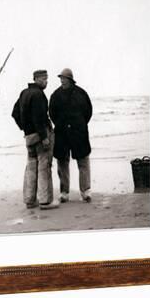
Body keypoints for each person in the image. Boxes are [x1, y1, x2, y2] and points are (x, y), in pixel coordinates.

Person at [12, 70, 58, 210]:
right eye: (44, 79)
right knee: (44, 167)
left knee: (31, 167)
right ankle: (45, 201)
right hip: (40, 135)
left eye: (46, 79)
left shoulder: (24, 93)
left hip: (29, 136)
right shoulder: (38, 94)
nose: (46, 82)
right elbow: (39, 117)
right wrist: (44, 137)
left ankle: (30, 200)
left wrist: (25, 128)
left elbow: (14, 113)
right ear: (37, 79)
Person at [49, 68, 93, 203]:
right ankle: (64, 193)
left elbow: (88, 112)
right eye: (60, 78)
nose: (61, 81)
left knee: (83, 160)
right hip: (61, 132)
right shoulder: (55, 95)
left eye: (64, 78)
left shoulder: (81, 93)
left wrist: (80, 124)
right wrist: (61, 124)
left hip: (79, 132)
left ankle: (85, 192)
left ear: (70, 80)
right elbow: (52, 113)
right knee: (62, 161)